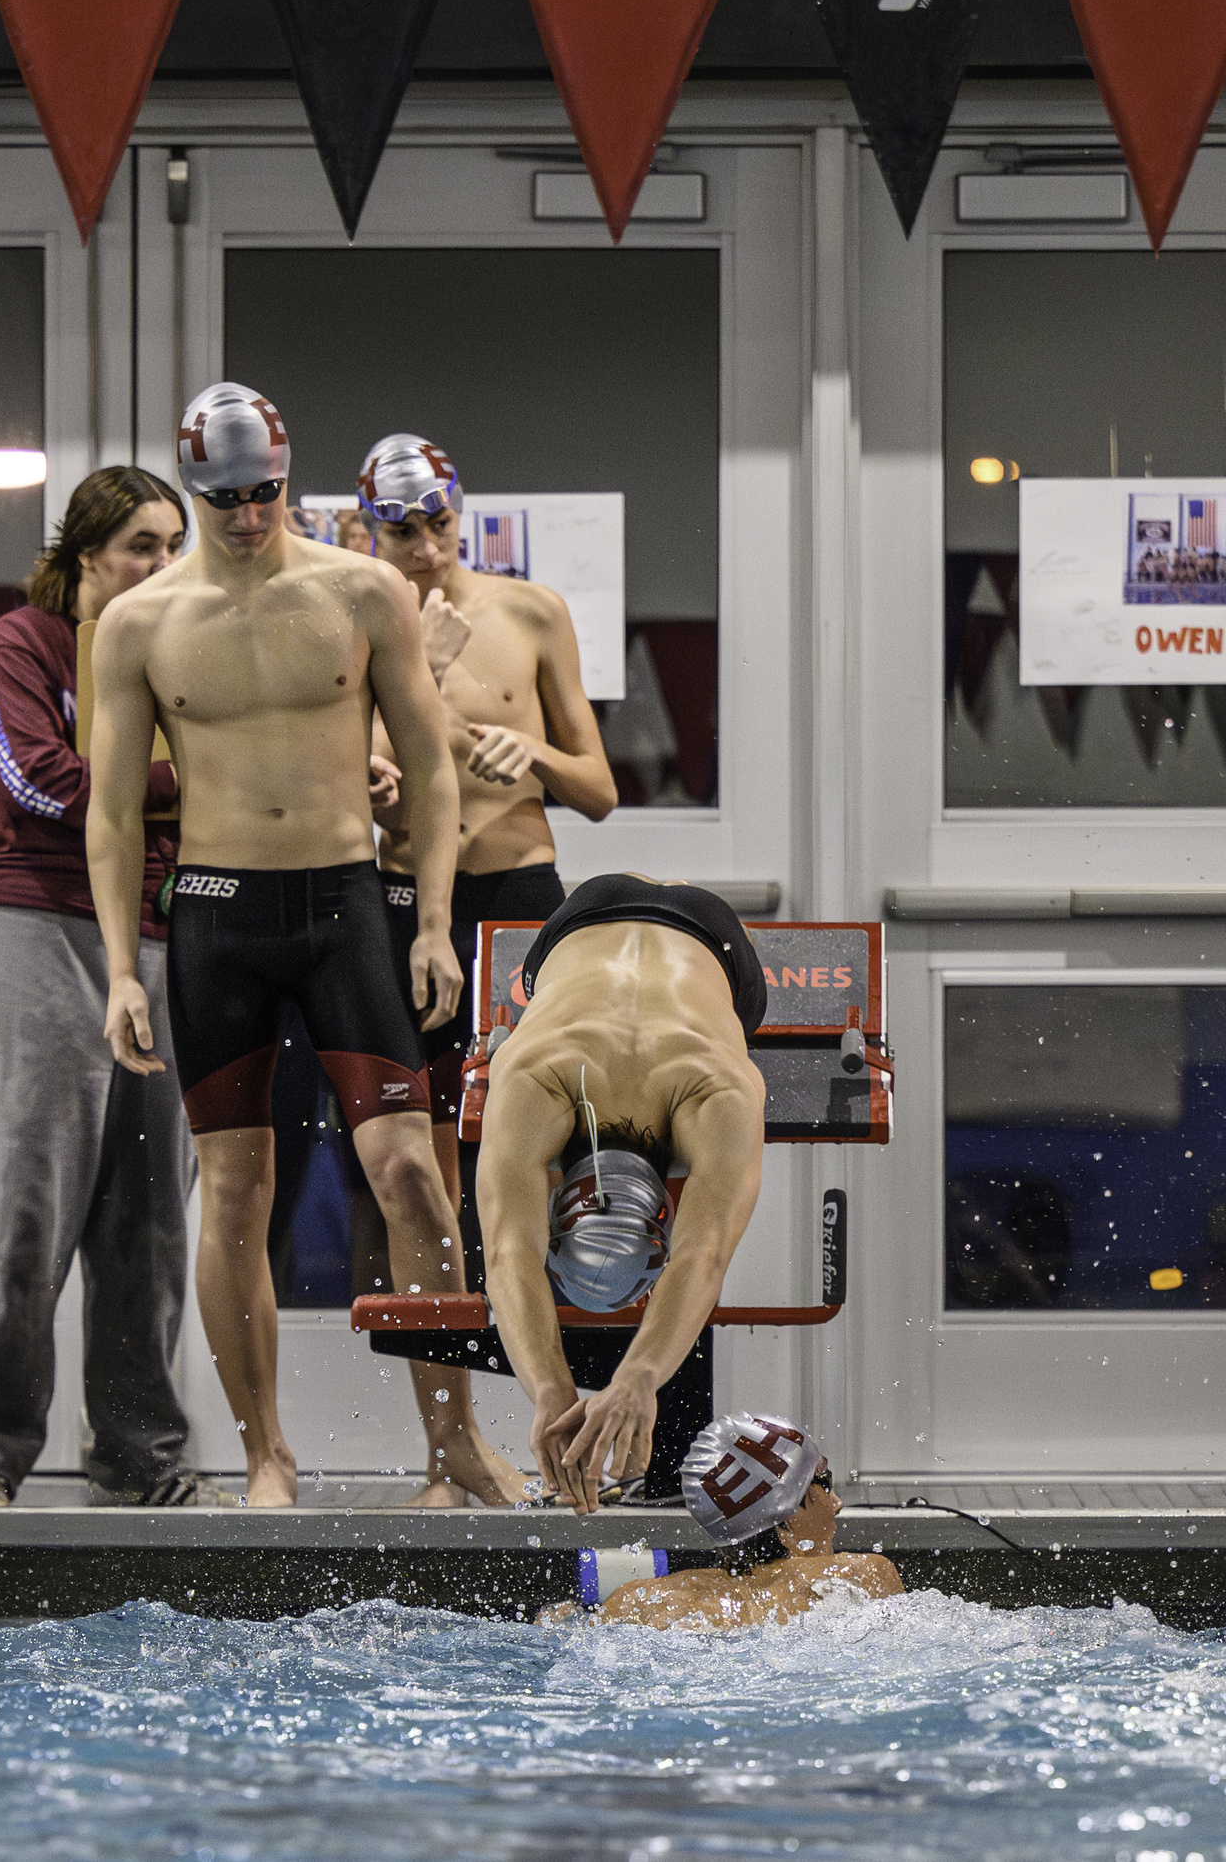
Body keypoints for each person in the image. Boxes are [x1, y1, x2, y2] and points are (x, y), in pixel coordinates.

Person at [86, 382, 528, 1509]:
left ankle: (456, 1444)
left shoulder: (363, 588)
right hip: (217, 917)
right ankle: (265, 1454)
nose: (246, 515)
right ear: (195, 492)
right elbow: (112, 812)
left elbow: (430, 767)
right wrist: (117, 973)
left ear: (291, 477)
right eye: (224, 498)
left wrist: (431, 923)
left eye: (265, 492)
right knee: (235, 1195)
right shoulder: (141, 622)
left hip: (343, 912)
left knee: (413, 1182)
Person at [0, 466, 230, 1509]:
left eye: (170, 545)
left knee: (150, 1222)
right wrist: (185, 784)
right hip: (41, 931)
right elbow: (37, 782)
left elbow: (243, 776)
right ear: (83, 556)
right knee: (28, 1211)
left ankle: (139, 1452)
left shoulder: (178, 650)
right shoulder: (22, 644)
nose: (159, 564)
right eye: (139, 545)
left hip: (163, 936)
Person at [359, 433, 616, 1218]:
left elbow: (599, 790)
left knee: (531, 1130)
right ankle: (445, 1331)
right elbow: (364, 786)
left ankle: (534, 1328)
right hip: (406, 897)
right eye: (404, 533)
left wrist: (535, 750)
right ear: (373, 530)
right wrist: (423, 666)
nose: (427, 548)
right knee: (421, 1158)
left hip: (520, 888)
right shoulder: (355, 625)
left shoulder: (532, 613)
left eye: (440, 525)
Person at [477, 874, 769, 1515]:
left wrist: (587, 1386)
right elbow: (703, 1254)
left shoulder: (722, 1086)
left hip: (715, 943)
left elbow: (508, 1255)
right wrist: (582, 1389)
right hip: (578, 921)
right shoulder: (537, 1071)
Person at [558, 1456, 902, 1629]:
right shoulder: (862, 1573)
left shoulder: (638, 1598)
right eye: (823, 1484)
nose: (837, 1502)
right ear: (784, 1522)